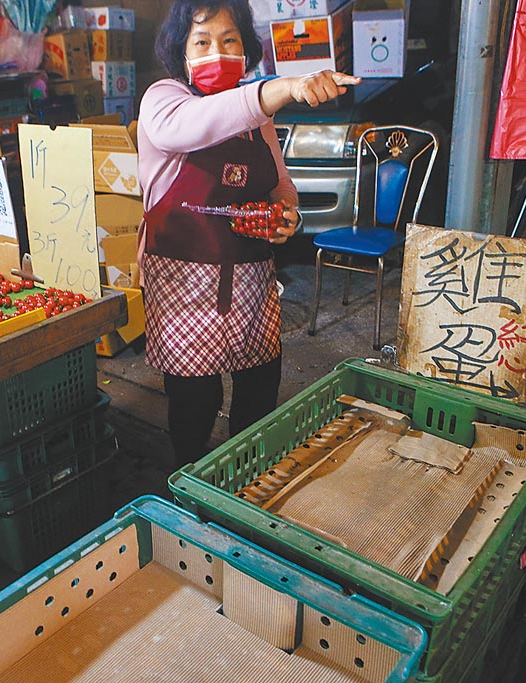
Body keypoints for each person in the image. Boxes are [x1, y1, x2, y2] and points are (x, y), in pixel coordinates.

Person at [138, 0, 360, 468]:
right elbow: (195, 126)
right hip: (184, 286)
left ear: (246, 49)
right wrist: (282, 88)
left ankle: (246, 477)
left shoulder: (259, 116)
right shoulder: (164, 101)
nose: (216, 51)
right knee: (194, 400)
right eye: (202, 42)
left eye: (229, 40)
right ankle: (190, 479)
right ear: (182, 52)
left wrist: (288, 215)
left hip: (251, 282)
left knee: (259, 388)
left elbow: (281, 183)